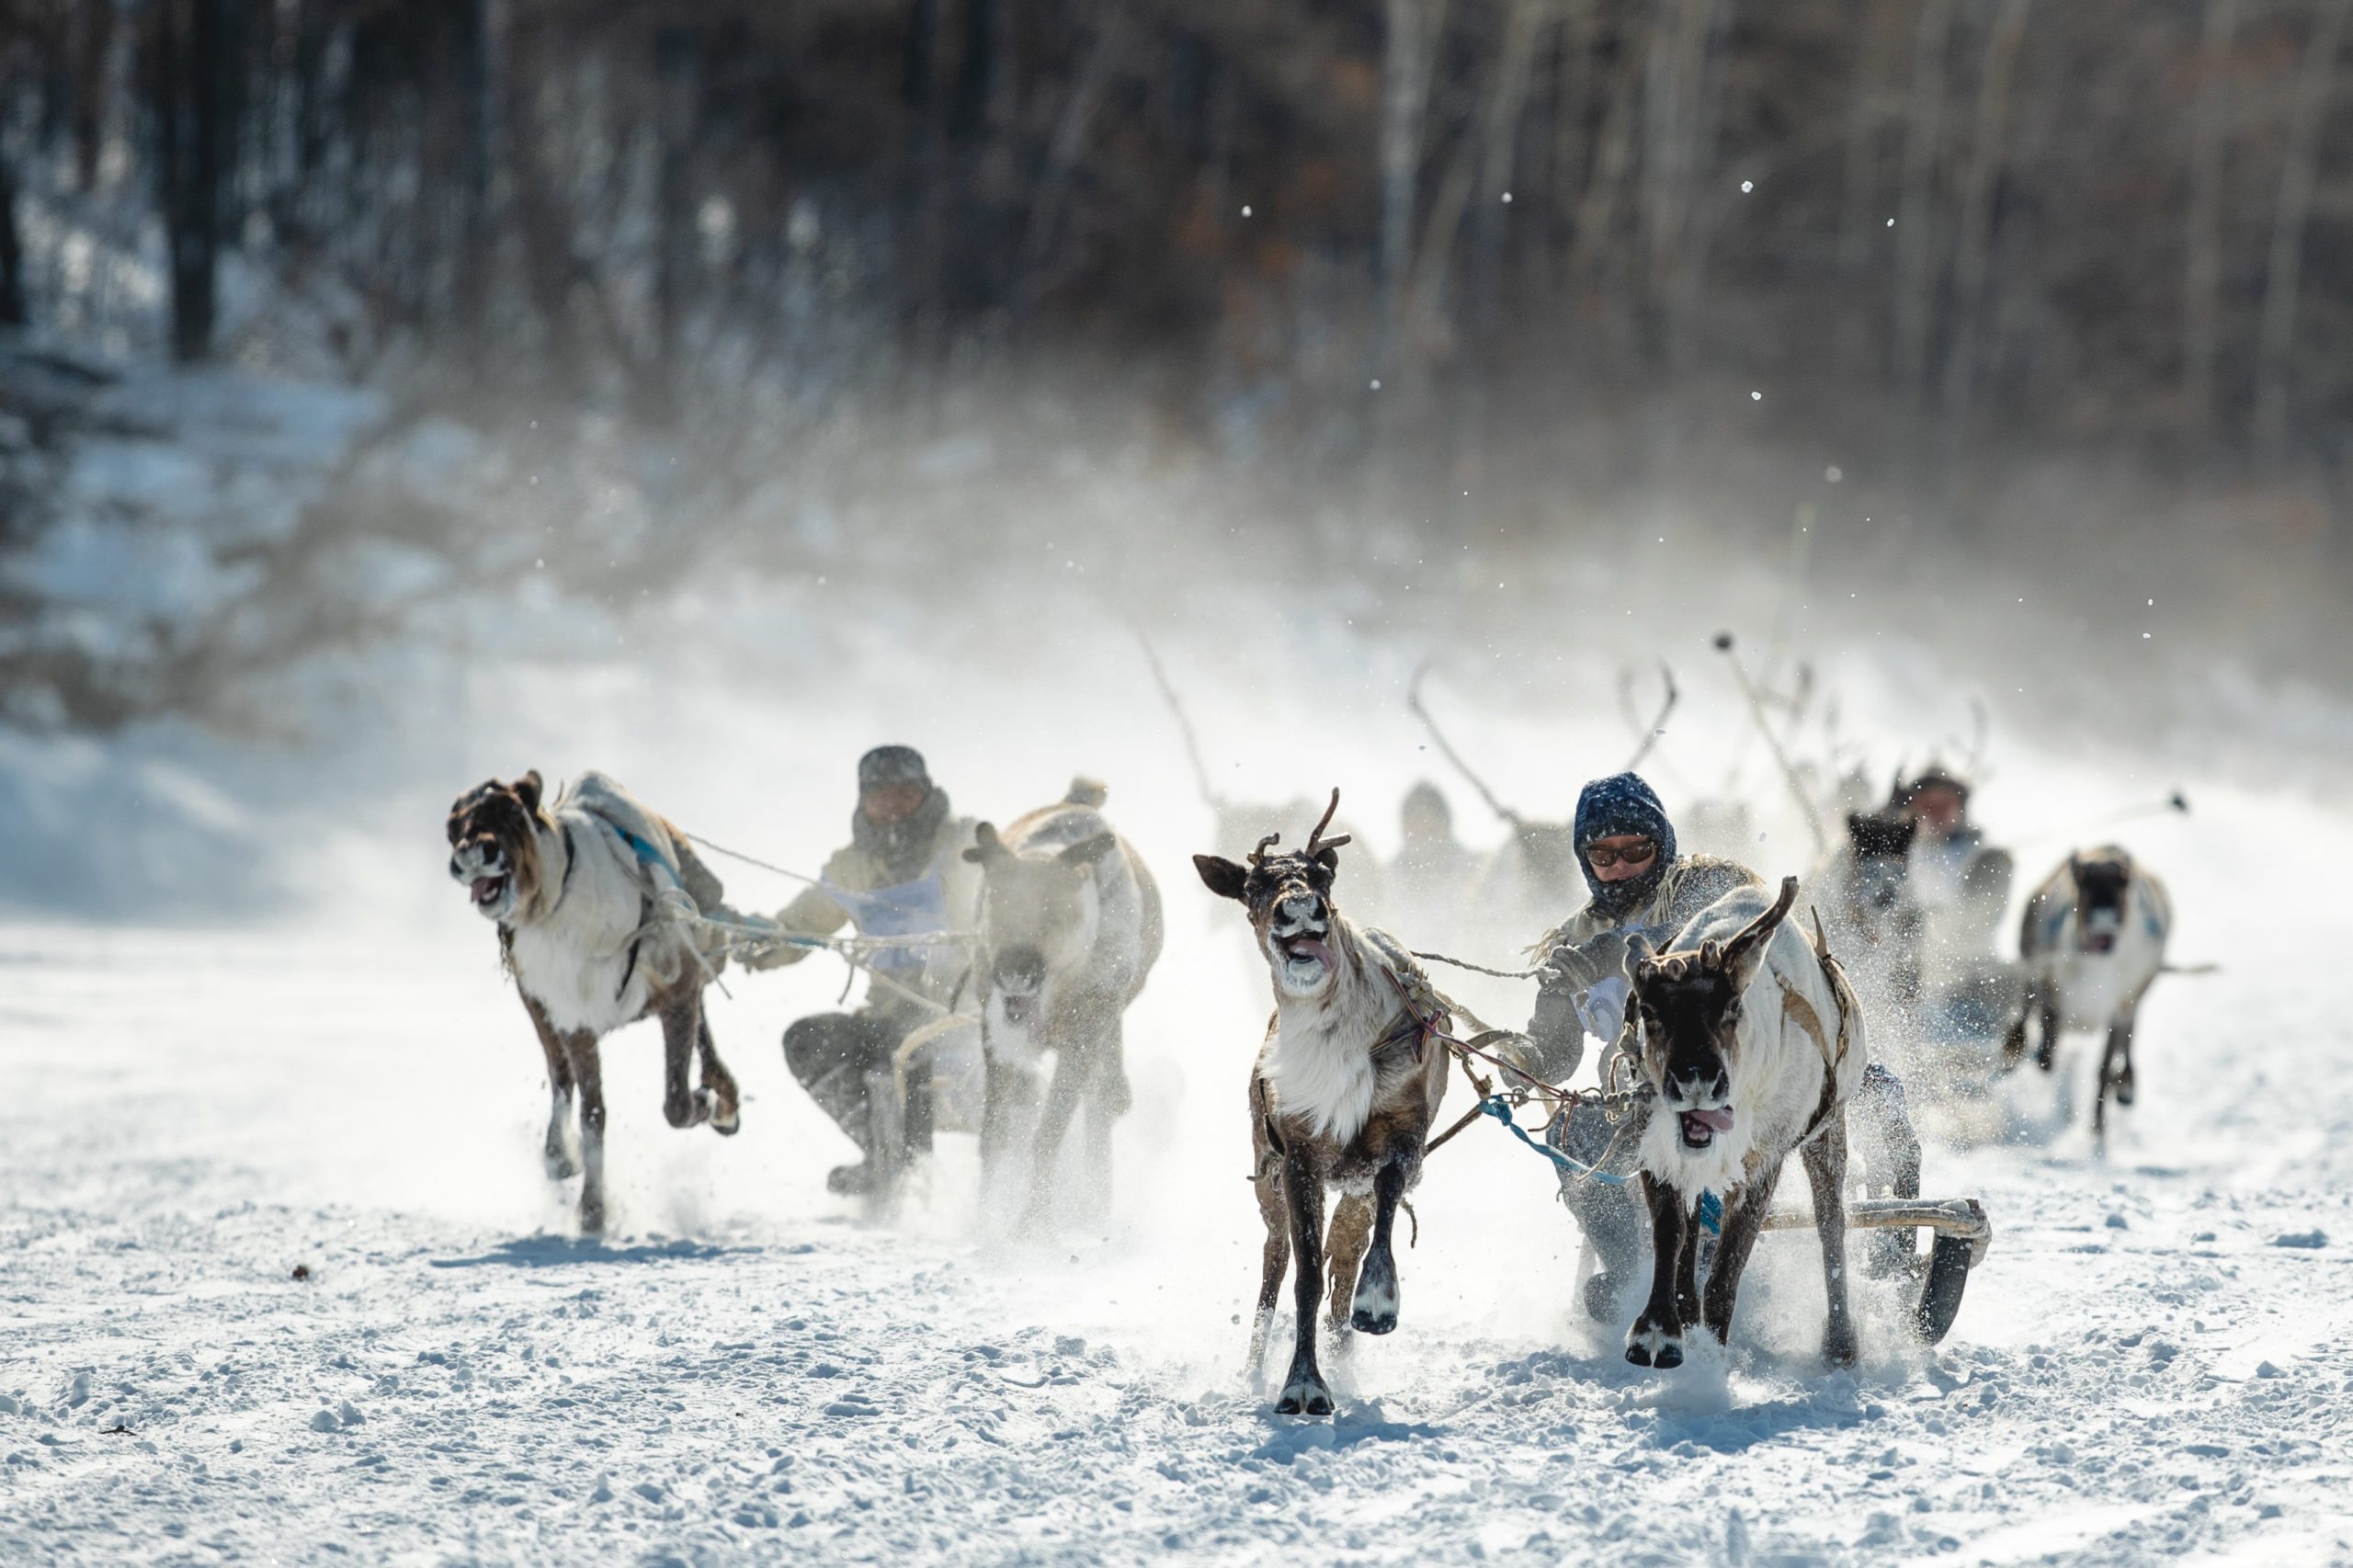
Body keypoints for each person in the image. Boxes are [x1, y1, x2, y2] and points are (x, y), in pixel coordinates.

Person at [1522, 772, 1921, 1318]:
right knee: (1572, 1131)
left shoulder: (1710, 886)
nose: (1620, 867)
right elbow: (1559, 1053)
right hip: (1651, 1089)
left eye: (1636, 849)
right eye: (1603, 855)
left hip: (1774, 1064)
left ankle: (1893, 1267)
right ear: (1583, 859)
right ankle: (1631, 1271)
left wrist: (1604, 956)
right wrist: (1533, 1050)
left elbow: (1699, 949)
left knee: (1886, 1104)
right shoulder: (1573, 939)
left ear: (1661, 845)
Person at [745, 745, 981, 1197]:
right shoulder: (852, 866)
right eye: (880, 796)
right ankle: (884, 1157)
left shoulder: (964, 848)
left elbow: (1006, 901)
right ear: (863, 802)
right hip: (890, 1019)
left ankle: (1023, 1166)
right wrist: (761, 943)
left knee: (921, 1063)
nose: (892, 807)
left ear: (925, 795)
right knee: (808, 1041)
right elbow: (801, 926)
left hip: (963, 1019)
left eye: (904, 794)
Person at [1384, 780, 1474, 938]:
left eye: (1426, 820)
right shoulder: (1390, 876)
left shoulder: (1472, 870)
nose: (1420, 829)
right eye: (1413, 821)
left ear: (1443, 823)